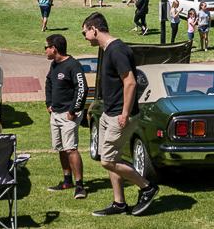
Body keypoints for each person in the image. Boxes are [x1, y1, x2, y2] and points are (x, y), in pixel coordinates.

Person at [81, 13, 160, 216]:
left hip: (120, 115)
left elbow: (130, 83)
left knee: (108, 160)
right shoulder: (107, 49)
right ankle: (119, 203)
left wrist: (124, 113)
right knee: (111, 159)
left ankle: (147, 187)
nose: (85, 37)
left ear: (94, 30)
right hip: (109, 113)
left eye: (85, 32)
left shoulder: (117, 50)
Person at [44, 34, 88, 199]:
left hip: (69, 115)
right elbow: (49, 82)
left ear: (54, 49)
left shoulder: (73, 65)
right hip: (55, 113)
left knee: (71, 149)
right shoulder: (54, 64)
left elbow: (82, 88)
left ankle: (80, 186)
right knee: (61, 148)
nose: (45, 50)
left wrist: (73, 109)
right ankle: (67, 180)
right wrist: (49, 103)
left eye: (46, 47)